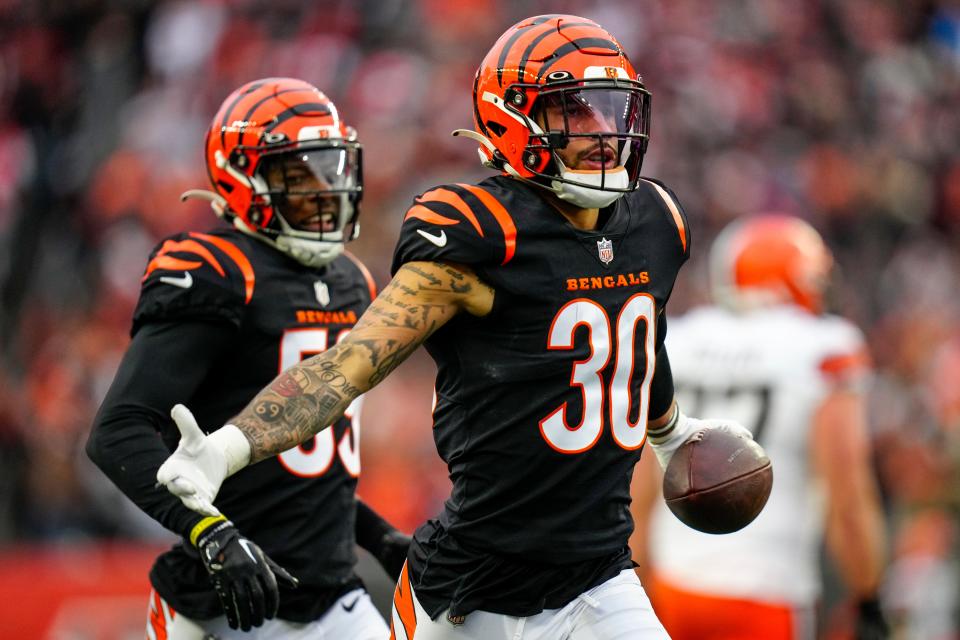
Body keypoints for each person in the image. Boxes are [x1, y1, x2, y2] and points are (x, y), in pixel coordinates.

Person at [156, 16, 753, 640]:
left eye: (613, 110)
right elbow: (347, 367)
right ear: (512, 119)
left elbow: (639, 335)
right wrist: (227, 448)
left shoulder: (655, 220)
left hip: (596, 578)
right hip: (467, 594)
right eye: (577, 113)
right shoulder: (480, 231)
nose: (606, 134)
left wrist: (670, 431)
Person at [86, 77, 409, 639]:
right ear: (240, 180)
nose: (324, 191)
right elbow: (117, 430)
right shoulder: (217, 270)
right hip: (227, 597)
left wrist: (376, 536)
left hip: (330, 591)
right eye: (296, 175)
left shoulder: (351, 279)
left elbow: (304, 466)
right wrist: (210, 533)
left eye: (330, 170)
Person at [630, 215, 889, 640]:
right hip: (767, 589)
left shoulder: (677, 338)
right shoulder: (823, 346)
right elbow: (850, 493)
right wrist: (868, 597)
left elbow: (639, 481)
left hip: (673, 582)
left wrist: (635, 579)